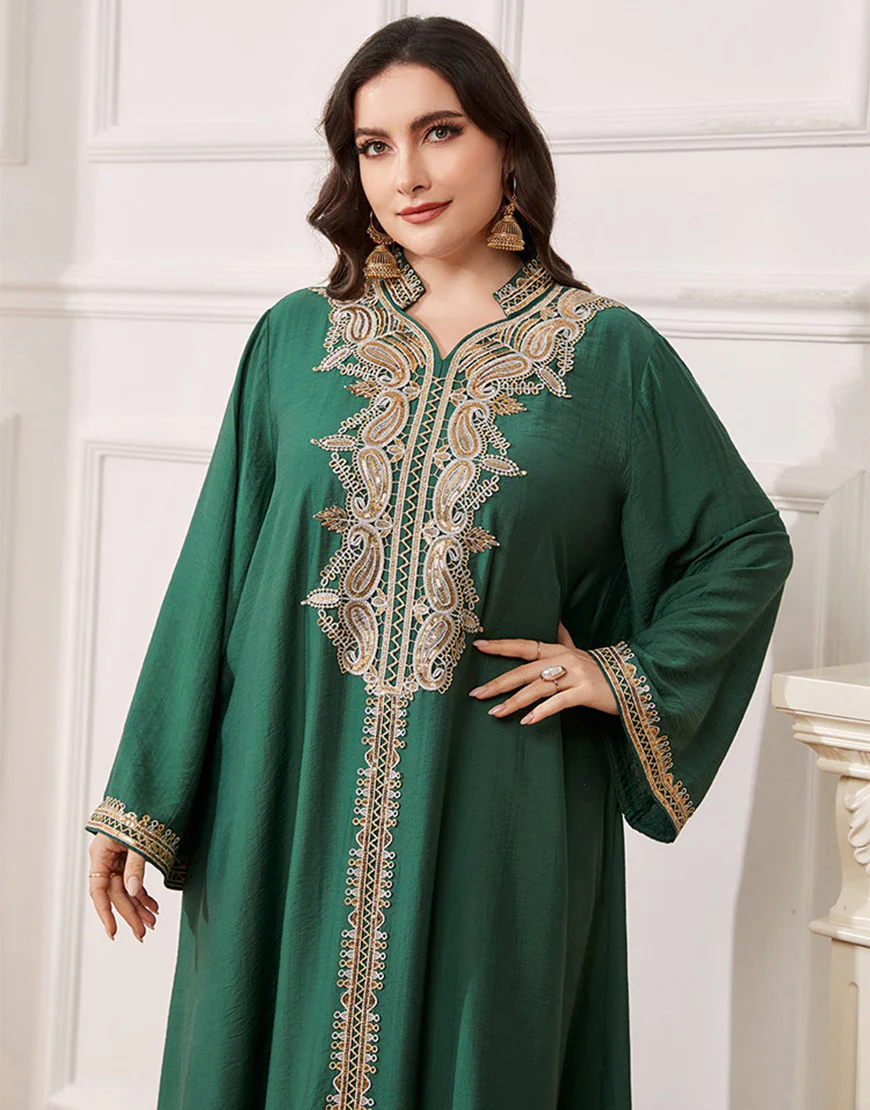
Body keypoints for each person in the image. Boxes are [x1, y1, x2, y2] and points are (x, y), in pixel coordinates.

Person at [84, 15, 794, 1110]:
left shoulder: (609, 357)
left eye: (440, 131)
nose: (406, 175)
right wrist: (143, 796)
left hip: (498, 809)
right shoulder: (297, 340)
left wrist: (620, 673)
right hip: (283, 797)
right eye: (374, 146)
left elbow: (743, 544)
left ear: (507, 143)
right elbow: (212, 574)